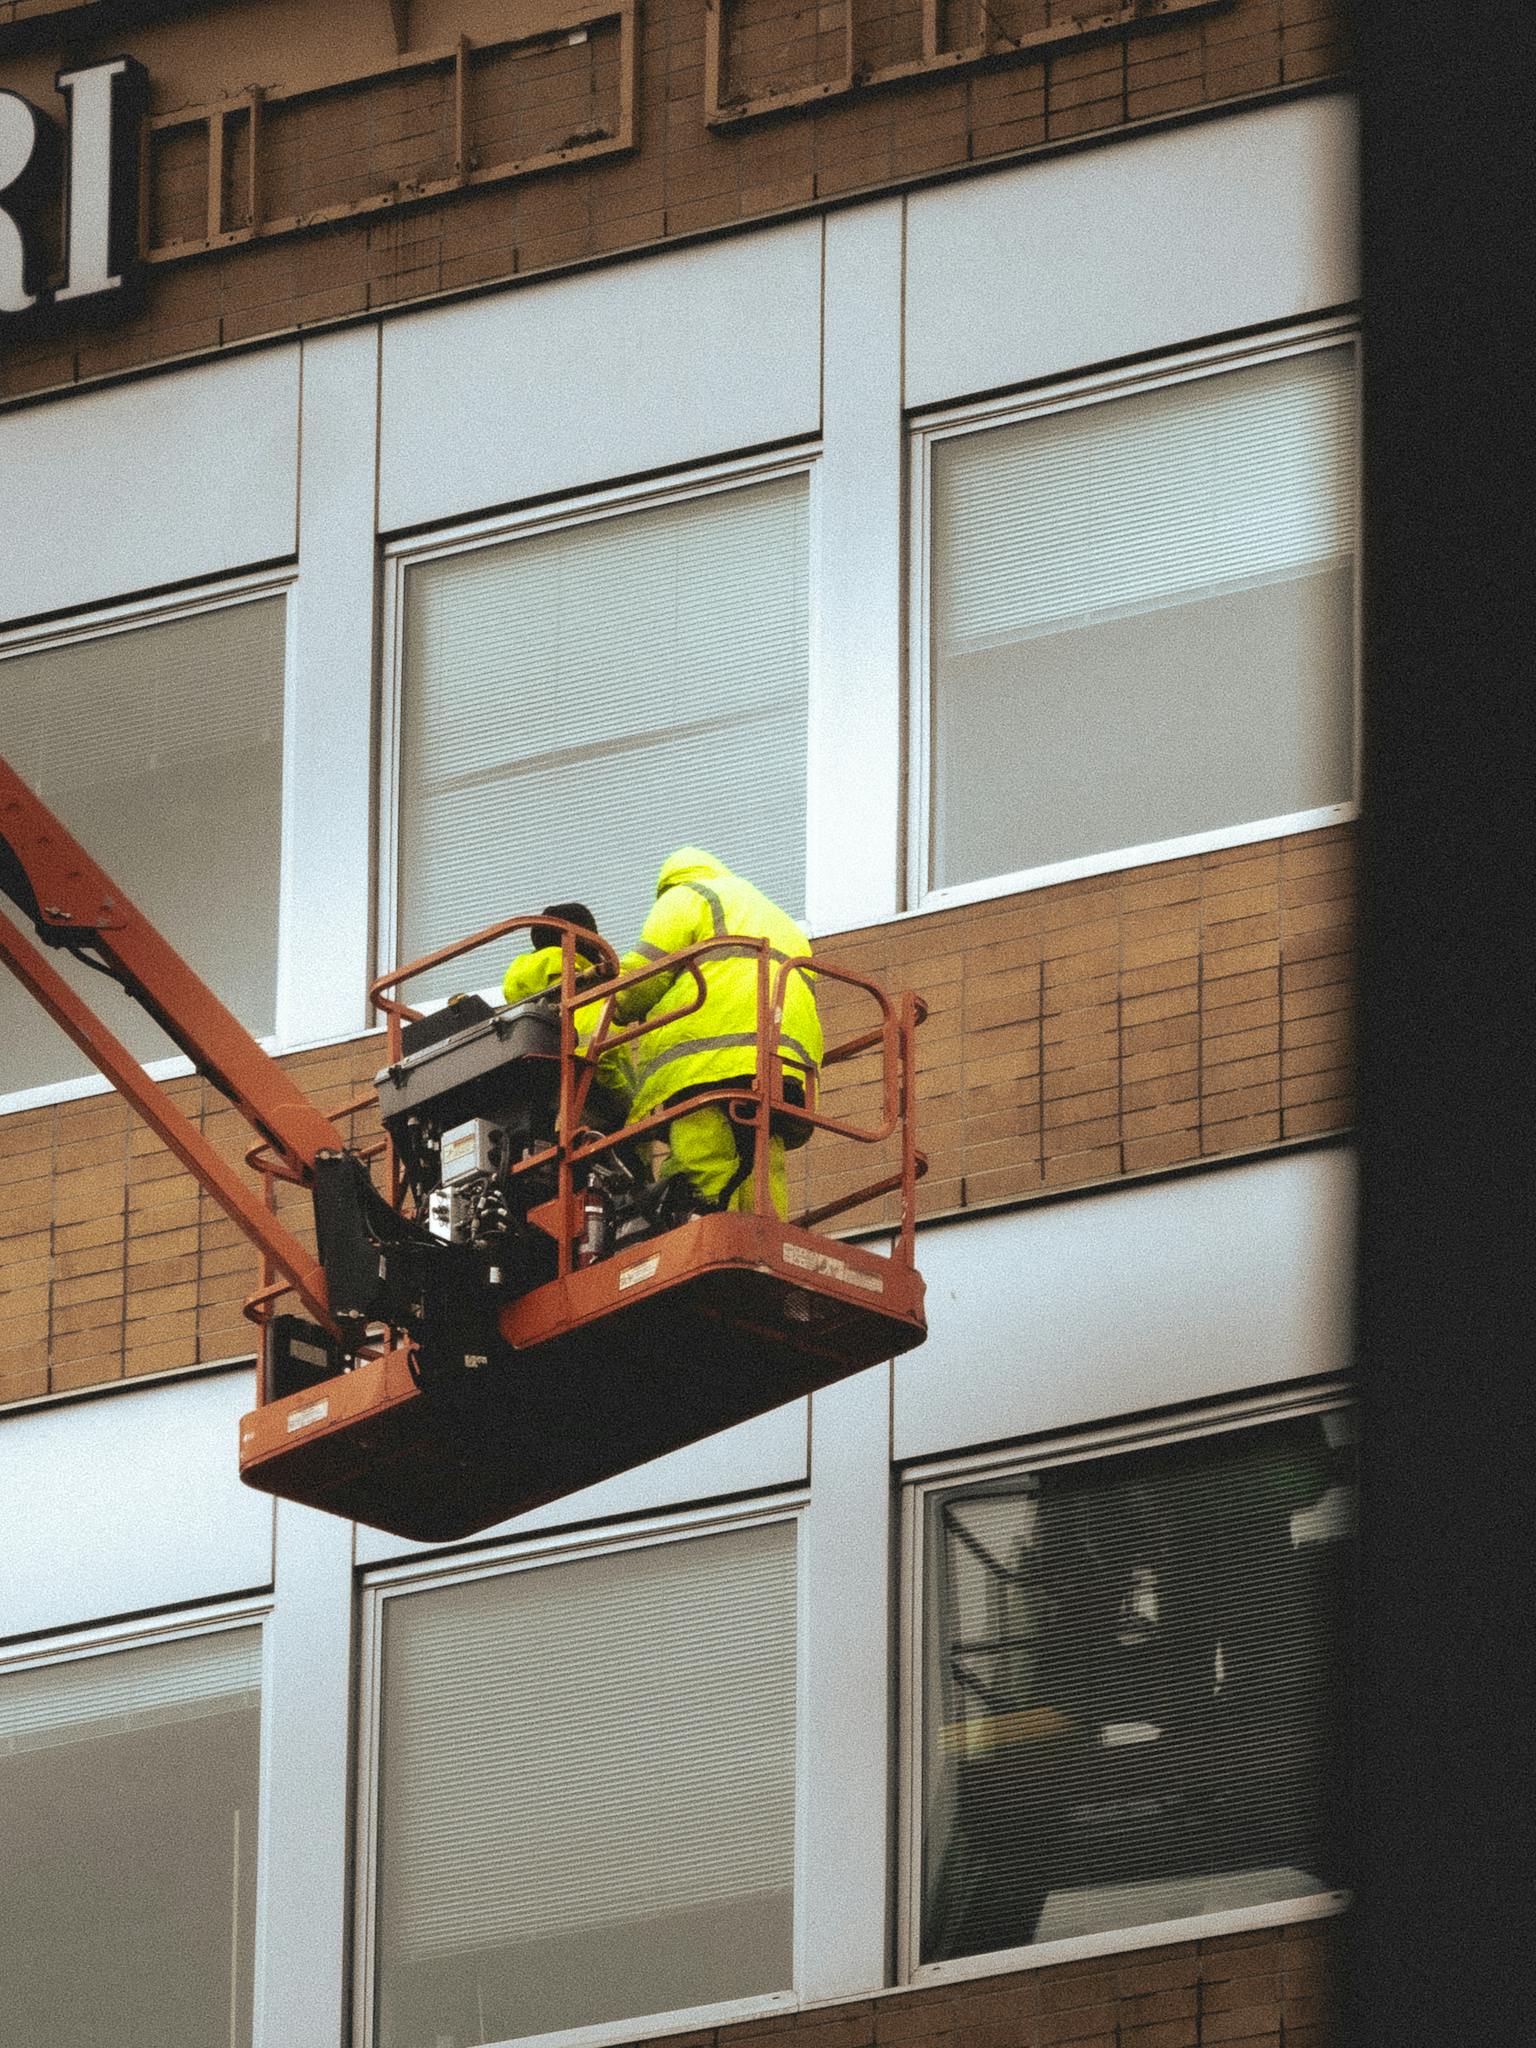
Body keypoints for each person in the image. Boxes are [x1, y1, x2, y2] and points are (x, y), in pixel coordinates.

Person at [613, 847, 821, 1221]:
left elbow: (644, 975)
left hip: (710, 1052)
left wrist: (610, 1004)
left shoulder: (687, 896)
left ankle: (695, 1219)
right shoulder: (775, 916)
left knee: (703, 1144)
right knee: (760, 1151)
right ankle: (766, 1230)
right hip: (783, 1060)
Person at [502, 901, 631, 1114]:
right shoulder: (587, 999)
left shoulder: (523, 1010)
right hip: (594, 1111)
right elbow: (605, 1064)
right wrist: (634, 1111)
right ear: (588, 941)